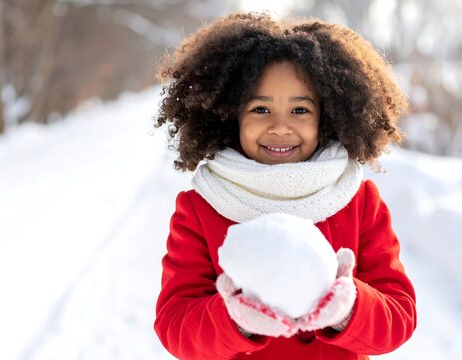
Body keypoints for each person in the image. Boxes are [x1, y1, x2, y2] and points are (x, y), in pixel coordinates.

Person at [153, 12, 416, 360]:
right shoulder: (201, 208)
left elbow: (400, 317)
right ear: (230, 115)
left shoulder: (358, 201)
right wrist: (234, 318)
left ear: (327, 116)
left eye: (300, 110)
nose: (280, 127)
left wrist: (349, 307)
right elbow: (175, 327)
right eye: (260, 109)